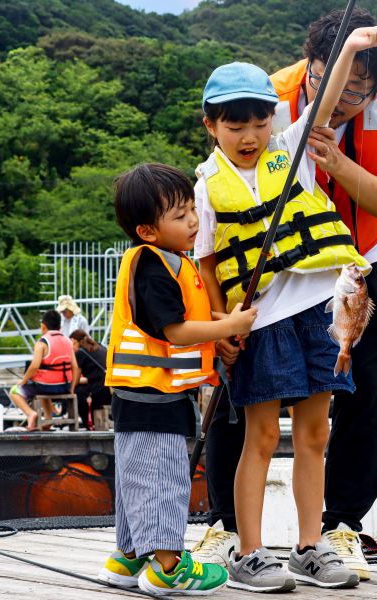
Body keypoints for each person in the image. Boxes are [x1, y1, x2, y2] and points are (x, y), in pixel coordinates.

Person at [194, 8, 377, 583]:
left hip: (334, 292)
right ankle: (237, 540)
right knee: (256, 427)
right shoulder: (217, 170)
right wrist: (222, 325)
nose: (249, 133)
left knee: (331, 420)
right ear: (212, 125)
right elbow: (207, 260)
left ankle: (322, 538)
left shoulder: (305, 138)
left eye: (257, 122)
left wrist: (354, 50)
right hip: (263, 312)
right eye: (234, 124)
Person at [95, 163, 257, 595]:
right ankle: (168, 567)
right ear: (148, 230)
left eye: (192, 210)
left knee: (136, 476)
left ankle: (128, 558)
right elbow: (176, 331)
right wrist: (227, 328)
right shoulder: (153, 267)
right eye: (180, 215)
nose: (193, 221)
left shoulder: (170, 262)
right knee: (163, 477)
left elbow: (195, 318)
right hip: (154, 395)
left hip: (143, 394)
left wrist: (225, 323)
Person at [8, 309, 80, 431]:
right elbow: (75, 367)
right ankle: (48, 418)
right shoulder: (68, 341)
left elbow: (34, 366)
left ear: (43, 326)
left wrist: (23, 381)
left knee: (14, 391)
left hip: (45, 386)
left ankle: (31, 414)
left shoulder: (42, 342)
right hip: (65, 386)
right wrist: (71, 388)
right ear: (60, 326)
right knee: (45, 387)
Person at [68, 329, 112, 430]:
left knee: (77, 391)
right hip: (110, 388)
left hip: (99, 391)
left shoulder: (80, 353)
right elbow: (97, 374)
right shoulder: (100, 347)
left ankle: (87, 424)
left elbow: (76, 380)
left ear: (74, 341)